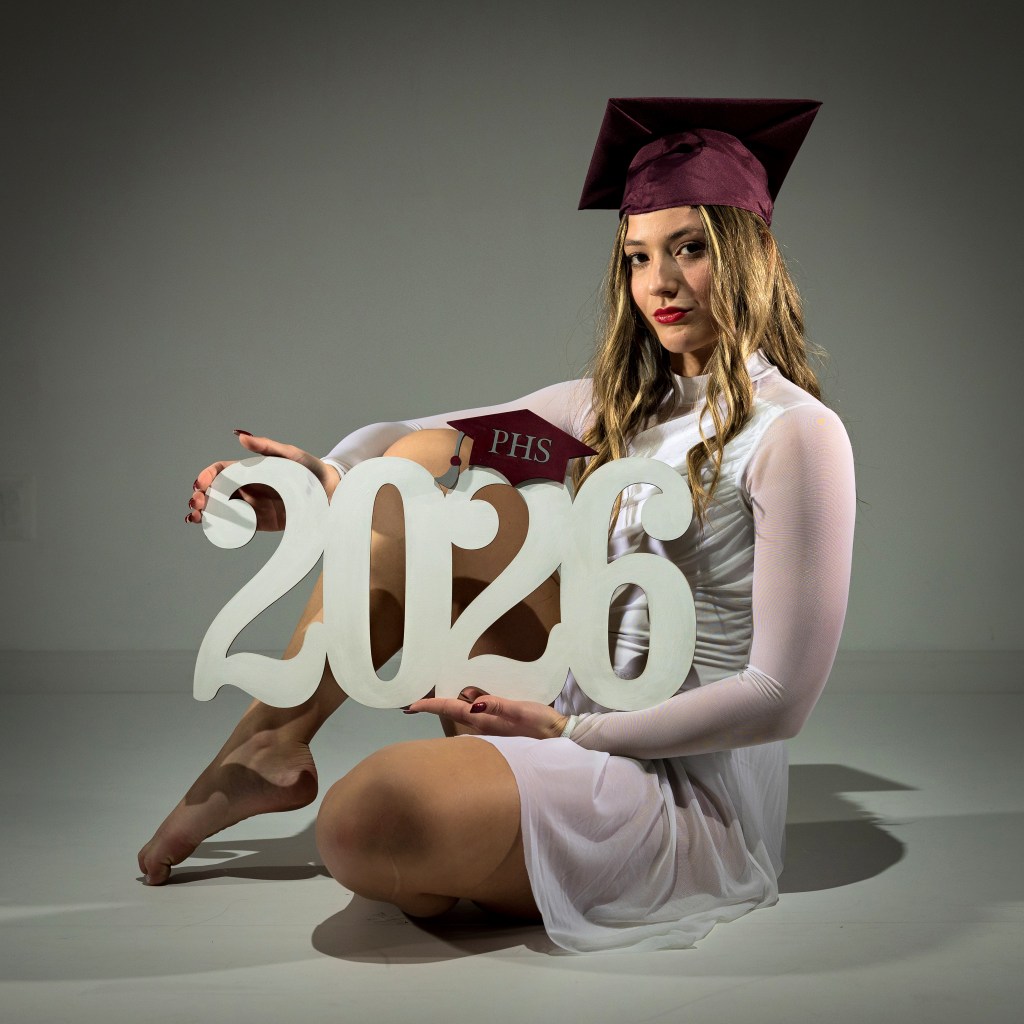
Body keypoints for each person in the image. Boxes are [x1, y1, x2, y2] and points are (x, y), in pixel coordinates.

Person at [138, 97, 856, 953]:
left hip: (671, 780)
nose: (659, 283)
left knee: (368, 819)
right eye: (638, 256)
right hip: (558, 706)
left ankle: (463, 843)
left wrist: (572, 732)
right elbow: (414, 436)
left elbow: (778, 700)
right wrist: (315, 487)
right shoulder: (609, 408)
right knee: (416, 482)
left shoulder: (795, 433)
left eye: (689, 248)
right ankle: (270, 748)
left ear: (751, 255)